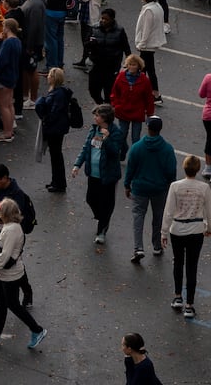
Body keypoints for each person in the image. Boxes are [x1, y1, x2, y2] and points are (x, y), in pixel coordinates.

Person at [0, 198, 47, 349]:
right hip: (5, 274)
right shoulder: (10, 227)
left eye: (0, 209)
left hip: (9, 275)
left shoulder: (11, 229)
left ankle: (37, 330)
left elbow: (5, 254)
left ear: (6, 213)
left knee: (13, 305)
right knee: (1, 304)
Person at [163, 154, 211, 318]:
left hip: (177, 229)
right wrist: (209, 227)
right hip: (196, 229)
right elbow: (209, 210)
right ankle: (189, 304)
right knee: (192, 266)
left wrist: (163, 231)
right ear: (198, 170)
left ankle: (177, 296)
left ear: (184, 168)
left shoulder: (175, 186)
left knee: (178, 262)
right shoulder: (204, 188)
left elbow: (169, 211)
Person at [72, 103, 127, 248]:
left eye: (97, 115)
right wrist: (77, 164)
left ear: (104, 118)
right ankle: (102, 217)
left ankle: (101, 230)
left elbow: (116, 153)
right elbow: (86, 148)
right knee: (91, 198)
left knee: (107, 203)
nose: (94, 117)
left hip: (108, 175)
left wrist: (107, 139)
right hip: (93, 173)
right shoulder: (93, 129)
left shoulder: (115, 132)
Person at [125, 115, 176, 264]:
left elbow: (130, 168)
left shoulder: (137, 147)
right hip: (159, 189)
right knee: (158, 217)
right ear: (160, 129)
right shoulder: (167, 149)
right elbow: (171, 171)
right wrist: (169, 186)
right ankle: (157, 245)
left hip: (140, 188)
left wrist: (127, 185)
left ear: (148, 127)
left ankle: (138, 248)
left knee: (138, 216)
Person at [33, 67, 76, 192]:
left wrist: (46, 119)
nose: (47, 77)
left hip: (55, 129)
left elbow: (54, 112)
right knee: (55, 155)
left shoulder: (57, 94)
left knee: (56, 156)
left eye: (49, 76)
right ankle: (56, 181)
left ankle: (59, 183)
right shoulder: (60, 92)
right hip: (58, 127)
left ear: (53, 78)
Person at [111, 54, 156, 145]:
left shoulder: (144, 80)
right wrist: (116, 105)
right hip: (123, 111)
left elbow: (149, 98)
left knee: (136, 138)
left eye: (134, 65)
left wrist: (149, 114)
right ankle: (122, 153)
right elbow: (114, 93)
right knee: (122, 135)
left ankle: (134, 156)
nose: (131, 67)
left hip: (137, 112)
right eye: (130, 64)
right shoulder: (121, 77)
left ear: (138, 66)